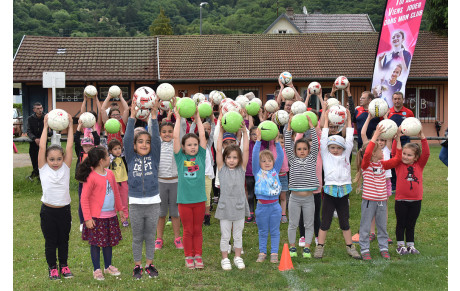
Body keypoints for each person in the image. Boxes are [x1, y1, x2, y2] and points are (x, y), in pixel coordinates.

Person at [314, 109, 361, 260]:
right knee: (325, 220)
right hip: (329, 192)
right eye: (332, 147)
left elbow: (349, 138)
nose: (335, 150)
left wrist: (348, 120)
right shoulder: (326, 154)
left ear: (343, 149)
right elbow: (323, 139)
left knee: (344, 221)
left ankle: (350, 247)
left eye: (338, 148)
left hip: (344, 191)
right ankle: (320, 246)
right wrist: (326, 119)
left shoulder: (346, 154)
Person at [124, 100, 162, 279]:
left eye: (147, 142)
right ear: (134, 145)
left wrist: (153, 117)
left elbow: (156, 139)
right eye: (140, 142)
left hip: (153, 202)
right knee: (137, 236)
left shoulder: (154, 157)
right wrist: (132, 116)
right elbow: (126, 138)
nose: (145, 145)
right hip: (136, 203)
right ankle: (137, 265)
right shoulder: (130, 158)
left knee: (150, 235)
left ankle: (149, 264)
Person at [77, 146, 126, 280]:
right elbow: (84, 199)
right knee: (95, 243)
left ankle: (108, 266)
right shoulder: (91, 176)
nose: (110, 157)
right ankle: (97, 269)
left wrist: (120, 209)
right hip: (96, 218)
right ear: (100, 161)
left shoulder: (110, 173)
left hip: (110, 216)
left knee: (108, 242)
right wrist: (87, 218)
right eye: (107, 156)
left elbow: (116, 193)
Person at [354, 125, 402, 260]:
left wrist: (398, 140)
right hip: (369, 202)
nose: (383, 151)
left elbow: (397, 159)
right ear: (374, 153)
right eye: (380, 149)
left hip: (381, 201)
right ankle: (364, 249)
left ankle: (384, 248)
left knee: (382, 226)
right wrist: (374, 137)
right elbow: (367, 152)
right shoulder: (366, 165)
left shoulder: (382, 165)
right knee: (365, 226)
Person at [38, 112, 74, 280]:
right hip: (48, 212)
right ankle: (52, 268)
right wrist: (45, 127)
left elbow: (69, 147)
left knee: (63, 241)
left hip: (64, 211)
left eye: (59, 159)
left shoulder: (65, 168)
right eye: (51, 159)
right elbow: (42, 147)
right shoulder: (43, 169)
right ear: (46, 160)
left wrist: (71, 127)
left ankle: (64, 266)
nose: (55, 162)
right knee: (51, 242)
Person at [173, 104, 208, 269]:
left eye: (195, 144)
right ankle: (189, 256)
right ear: (184, 147)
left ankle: (198, 255)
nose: (193, 147)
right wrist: (179, 119)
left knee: (197, 229)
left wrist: (197, 117)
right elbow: (175, 139)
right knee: (187, 230)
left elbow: (202, 135)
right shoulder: (180, 159)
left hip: (200, 200)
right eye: (189, 145)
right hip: (184, 201)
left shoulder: (201, 155)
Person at [215, 120, 250, 270]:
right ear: (224, 158)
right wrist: (221, 132)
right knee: (225, 235)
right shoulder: (221, 168)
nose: (231, 160)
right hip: (225, 207)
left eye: (235, 157)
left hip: (239, 206)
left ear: (239, 159)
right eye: (229, 157)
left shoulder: (241, 169)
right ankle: (225, 259)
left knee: (238, 234)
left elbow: (246, 150)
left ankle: (237, 257)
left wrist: (245, 132)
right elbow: (217, 150)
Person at [284, 113, 319, 259]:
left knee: (309, 224)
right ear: (295, 151)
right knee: (293, 224)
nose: (302, 151)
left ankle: (307, 248)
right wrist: (289, 127)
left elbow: (316, 144)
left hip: (309, 198)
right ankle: (292, 247)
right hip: (294, 198)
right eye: (299, 149)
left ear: (309, 150)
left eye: (305, 149)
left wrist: (312, 127)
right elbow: (287, 143)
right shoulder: (292, 160)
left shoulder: (312, 159)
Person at [392, 127, 430, 255]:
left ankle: (410, 246)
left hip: (416, 200)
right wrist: (397, 139)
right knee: (401, 223)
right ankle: (400, 246)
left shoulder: (419, 165)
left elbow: (426, 154)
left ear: (415, 157)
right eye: (404, 153)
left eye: (409, 155)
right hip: (401, 200)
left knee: (411, 224)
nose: (406, 157)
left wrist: (423, 137)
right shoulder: (398, 164)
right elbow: (394, 153)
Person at [252, 128, 284, 264]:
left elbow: (281, 157)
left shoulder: (275, 170)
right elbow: (254, 156)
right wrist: (258, 141)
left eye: (269, 160)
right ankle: (262, 252)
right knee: (263, 231)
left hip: (275, 207)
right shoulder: (257, 171)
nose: (267, 163)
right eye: (263, 161)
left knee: (275, 231)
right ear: (259, 164)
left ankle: (274, 253)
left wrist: (277, 142)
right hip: (261, 208)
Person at [155, 121, 184, 251]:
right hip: (160, 183)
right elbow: (152, 128)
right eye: (164, 132)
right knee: (161, 213)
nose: (167, 134)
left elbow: (180, 131)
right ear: (160, 134)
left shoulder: (176, 144)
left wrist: (178, 118)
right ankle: (159, 239)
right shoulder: (157, 145)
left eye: (170, 131)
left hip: (175, 183)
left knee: (175, 213)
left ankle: (177, 238)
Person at [74, 119, 100, 232]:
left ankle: (94, 219)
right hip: (83, 182)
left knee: (94, 200)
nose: (87, 148)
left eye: (89, 146)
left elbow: (98, 140)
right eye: (85, 146)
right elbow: (75, 140)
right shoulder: (80, 153)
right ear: (82, 146)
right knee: (82, 201)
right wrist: (79, 128)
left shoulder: (95, 154)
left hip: (94, 182)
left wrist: (94, 130)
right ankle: (82, 222)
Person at [388, 91, 415, 191]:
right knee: (394, 162)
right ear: (392, 100)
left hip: (405, 142)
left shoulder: (409, 112)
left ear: (403, 100)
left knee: (406, 162)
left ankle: (405, 183)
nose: (397, 101)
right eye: (395, 99)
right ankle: (394, 185)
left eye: (399, 99)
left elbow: (413, 126)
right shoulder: (388, 112)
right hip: (392, 142)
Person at [107, 139, 129, 227]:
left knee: (124, 201)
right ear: (110, 151)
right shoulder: (109, 159)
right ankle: (114, 218)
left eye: (119, 148)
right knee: (114, 202)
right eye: (115, 149)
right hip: (113, 183)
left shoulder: (123, 157)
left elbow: (126, 144)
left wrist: (121, 133)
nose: (118, 151)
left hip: (123, 181)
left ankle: (124, 218)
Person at [27, 102, 50, 181]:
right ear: (34, 110)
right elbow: (28, 131)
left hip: (44, 142)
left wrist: (44, 138)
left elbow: (50, 131)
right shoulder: (30, 119)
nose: (40, 110)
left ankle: (42, 175)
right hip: (33, 143)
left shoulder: (47, 117)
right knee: (33, 158)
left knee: (43, 158)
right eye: (38, 109)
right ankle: (35, 173)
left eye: (41, 108)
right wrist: (34, 139)